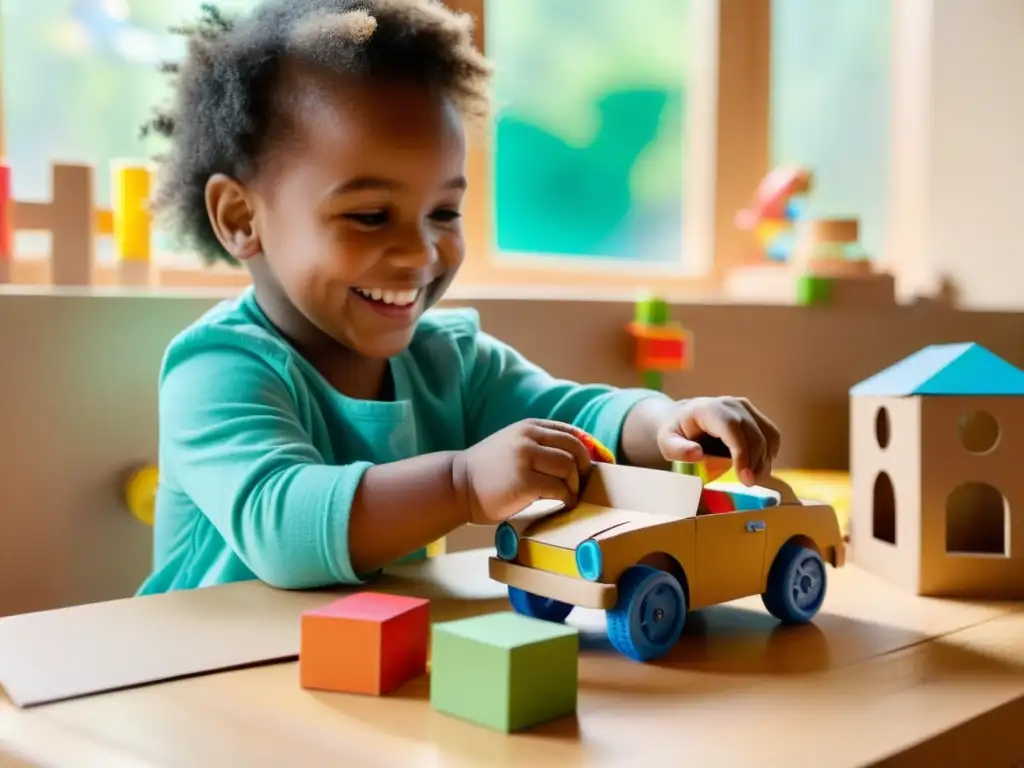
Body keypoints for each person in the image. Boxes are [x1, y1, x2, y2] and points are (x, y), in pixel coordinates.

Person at [136, 0, 781, 596]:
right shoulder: (216, 369)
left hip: (358, 681)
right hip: (204, 677)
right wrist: (462, 483)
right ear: (241, 217)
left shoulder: (450, 362)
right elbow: (282, 526)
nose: (419, 254)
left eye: (444, 211)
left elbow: (572, 415)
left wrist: (669, 425)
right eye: (369, 215)